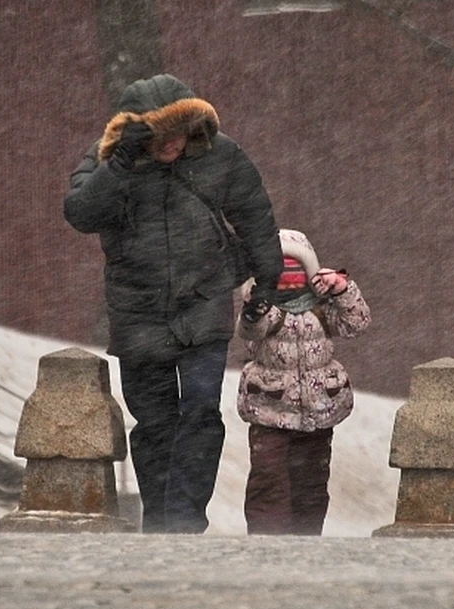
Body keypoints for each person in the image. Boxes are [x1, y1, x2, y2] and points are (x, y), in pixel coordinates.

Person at [63, 74, 283, 534]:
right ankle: (160, 520)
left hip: (203, 300)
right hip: (136, 310)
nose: (172, 145)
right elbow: (81, 213)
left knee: (202, 410)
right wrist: (122, 163)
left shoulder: (221, 155)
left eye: (179, 133)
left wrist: (269, 277)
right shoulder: (109, 160)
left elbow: (254, 214)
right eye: (162, 136)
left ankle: (184, 519)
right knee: (155, 422)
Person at [236, 229, 371, 535]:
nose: (288, 278)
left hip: (318, 411)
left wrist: (342, 289)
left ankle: (307, 540)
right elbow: (250, 329)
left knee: (310, 482)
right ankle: (268, 542)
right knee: (268, 479)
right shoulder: (266, 308)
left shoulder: (323, 308)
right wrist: (254, 307)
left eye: (295, 269)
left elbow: (357, 322)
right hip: (270, 409)